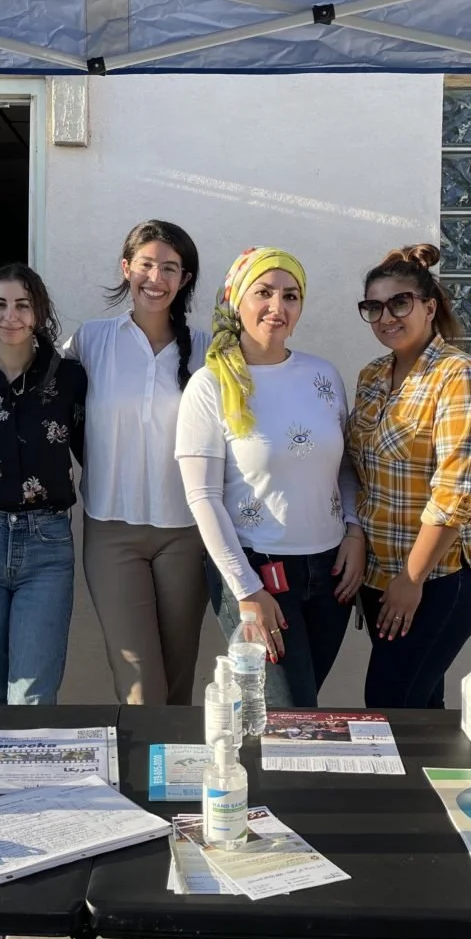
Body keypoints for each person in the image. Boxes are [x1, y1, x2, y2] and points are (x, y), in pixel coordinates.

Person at [0, 221, 209, 705]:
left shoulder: (207, 349)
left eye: (170, 268)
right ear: (127, 268)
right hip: (111, 529)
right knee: (139, 687)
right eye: (146, 264)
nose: (156, 278)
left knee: (178, 678)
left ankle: (168, 755)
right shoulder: (92, 341)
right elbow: (27, 364)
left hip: (186, 529)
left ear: (184, 278)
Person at [174, 247, 365, 709]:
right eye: (263, 292)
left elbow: (343, 465)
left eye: (290, 295)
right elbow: (202, 496)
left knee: (295, 712)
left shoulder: (322, 374)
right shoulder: (210, 385)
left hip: (331, 573)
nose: (277, 307)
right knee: (289, 711)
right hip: (256, 569)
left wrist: (355, 531)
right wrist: (247, 589)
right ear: (236, 300)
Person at [347, 243, 471, 710]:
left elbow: (458, 490)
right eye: (374, 307)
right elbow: (359, 467)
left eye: (400, 303)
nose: (386, 317)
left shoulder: (460, 376)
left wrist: (411, 579)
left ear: (429, 307)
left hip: (440, 574)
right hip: (381, 573)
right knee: (419, 708)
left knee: (389, 703)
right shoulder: (372, 376)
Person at [0, 263, 87, 705]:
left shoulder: (70, 379)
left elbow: (93, 450)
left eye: (23, 305)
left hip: (46, 545)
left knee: (32, 697)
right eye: (0, 305)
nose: (11, 316)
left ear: (39, 313)